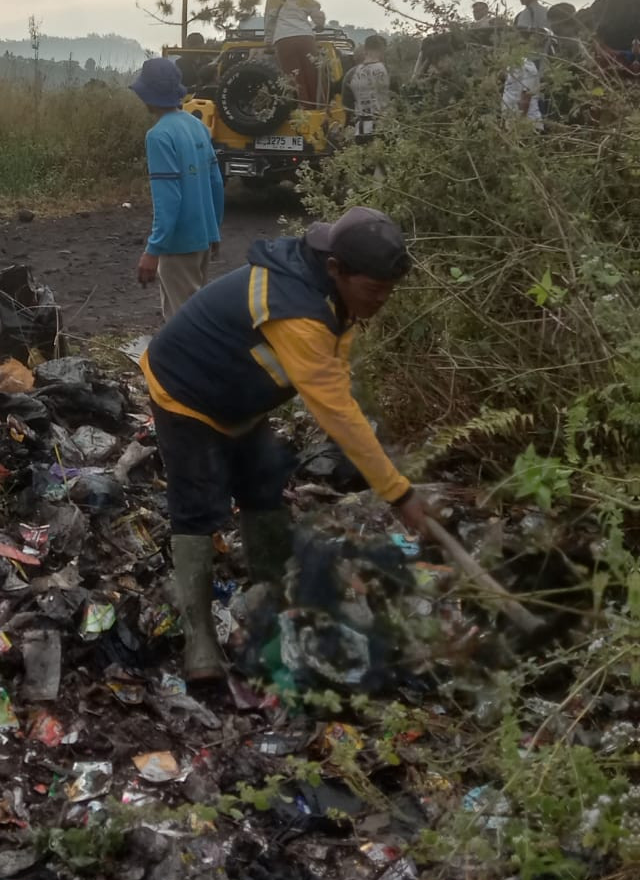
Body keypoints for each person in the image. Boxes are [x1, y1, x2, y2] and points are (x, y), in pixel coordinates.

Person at [139, 206, 432, 683]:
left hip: (239, 397)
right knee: (196, 504)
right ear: (337, 269)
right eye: (374, 289)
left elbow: (336, 373)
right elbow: (335, 409)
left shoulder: (329, 285)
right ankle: (200, 639)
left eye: (388, 290)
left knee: (264, 479)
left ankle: (272, 596)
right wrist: (399, 493)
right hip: (186, 389)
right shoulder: (297, 312)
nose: (381, 300)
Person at [130, 58, 225, 319]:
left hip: (179, 245)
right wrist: (214, 230)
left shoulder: (159, 136)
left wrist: (153, 250)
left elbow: (168, 199)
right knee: (197, 314)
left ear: (147, 95)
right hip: (202, 239)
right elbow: (216, 183)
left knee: (183, 323)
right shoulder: (198, 126)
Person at [263, 0, 326, 107]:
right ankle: (319, 107)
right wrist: (319, 24)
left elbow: (270, 19)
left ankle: (303, 108)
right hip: (306, 37)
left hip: (284, 39)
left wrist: (268, 40)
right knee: (312, 74)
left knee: (294, 76)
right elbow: (316, 9)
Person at [344, 34, 392, 142]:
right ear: (383, 50)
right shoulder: (388, 72)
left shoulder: (350, 74)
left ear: (365, 49)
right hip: (384, 130)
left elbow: (346, 106)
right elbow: (397, 101)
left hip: (360, 131)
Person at [502, 53, 543, 128]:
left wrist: (520, 126)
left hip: (527, 124)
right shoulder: (511, 66)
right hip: (512, 120)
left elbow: (526, 98)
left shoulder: (527, 67)